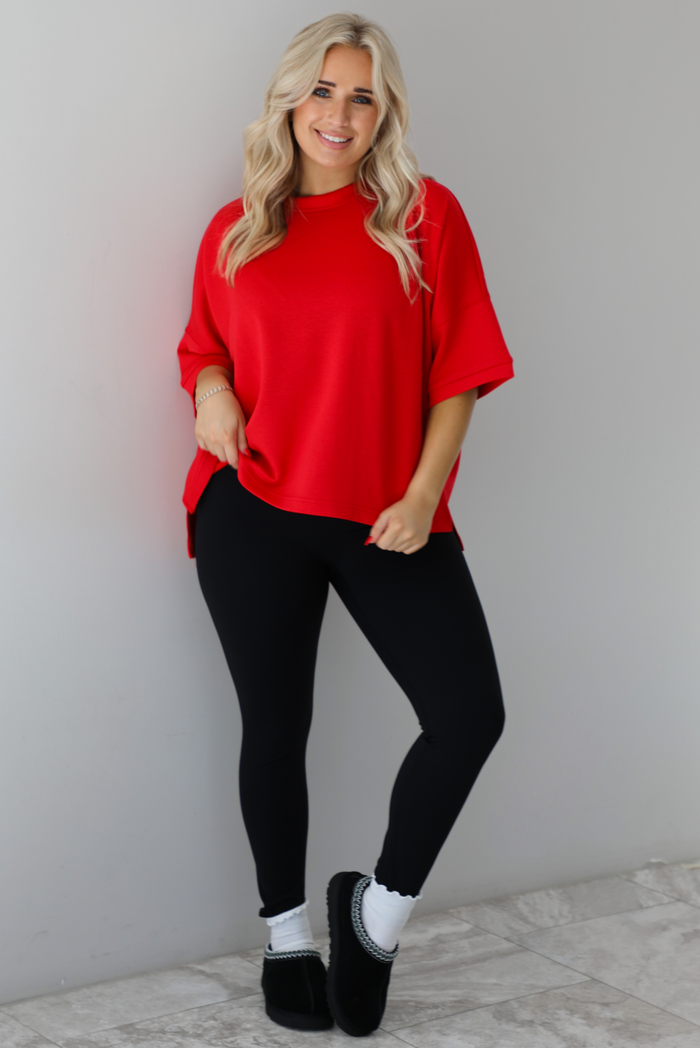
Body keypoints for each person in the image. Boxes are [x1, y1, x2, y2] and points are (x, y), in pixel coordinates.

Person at [177, 12, 514, 1038]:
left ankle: (375, 915)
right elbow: (203, 346)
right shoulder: (239, 226)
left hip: (386, 517)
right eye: (322, 90)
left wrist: (420, 495)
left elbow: (460, 373)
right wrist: (212, 392)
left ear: (385, 112)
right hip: (252, 509)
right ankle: (286, 938)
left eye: (362, 96)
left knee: (468, 714)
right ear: (289, 101)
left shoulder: (424, 215)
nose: (339, 114)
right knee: (275, 726)